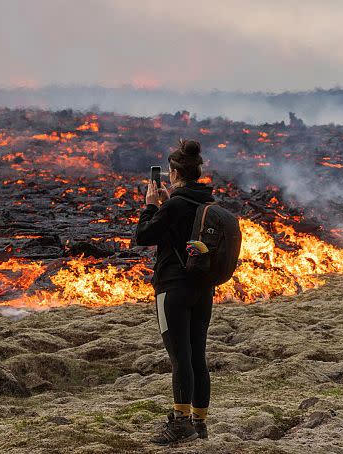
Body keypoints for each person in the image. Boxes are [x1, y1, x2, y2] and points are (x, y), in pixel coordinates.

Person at [135, 139, 215, 444]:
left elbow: (144, 235)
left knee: (180, 357)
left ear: (174, 172)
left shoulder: (175, 205)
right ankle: (200, 423)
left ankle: (181, 424)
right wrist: (168, 203)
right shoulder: (206, 202)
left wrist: (150, 206)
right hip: (202, 288)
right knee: (197, 357)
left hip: (173, 288)